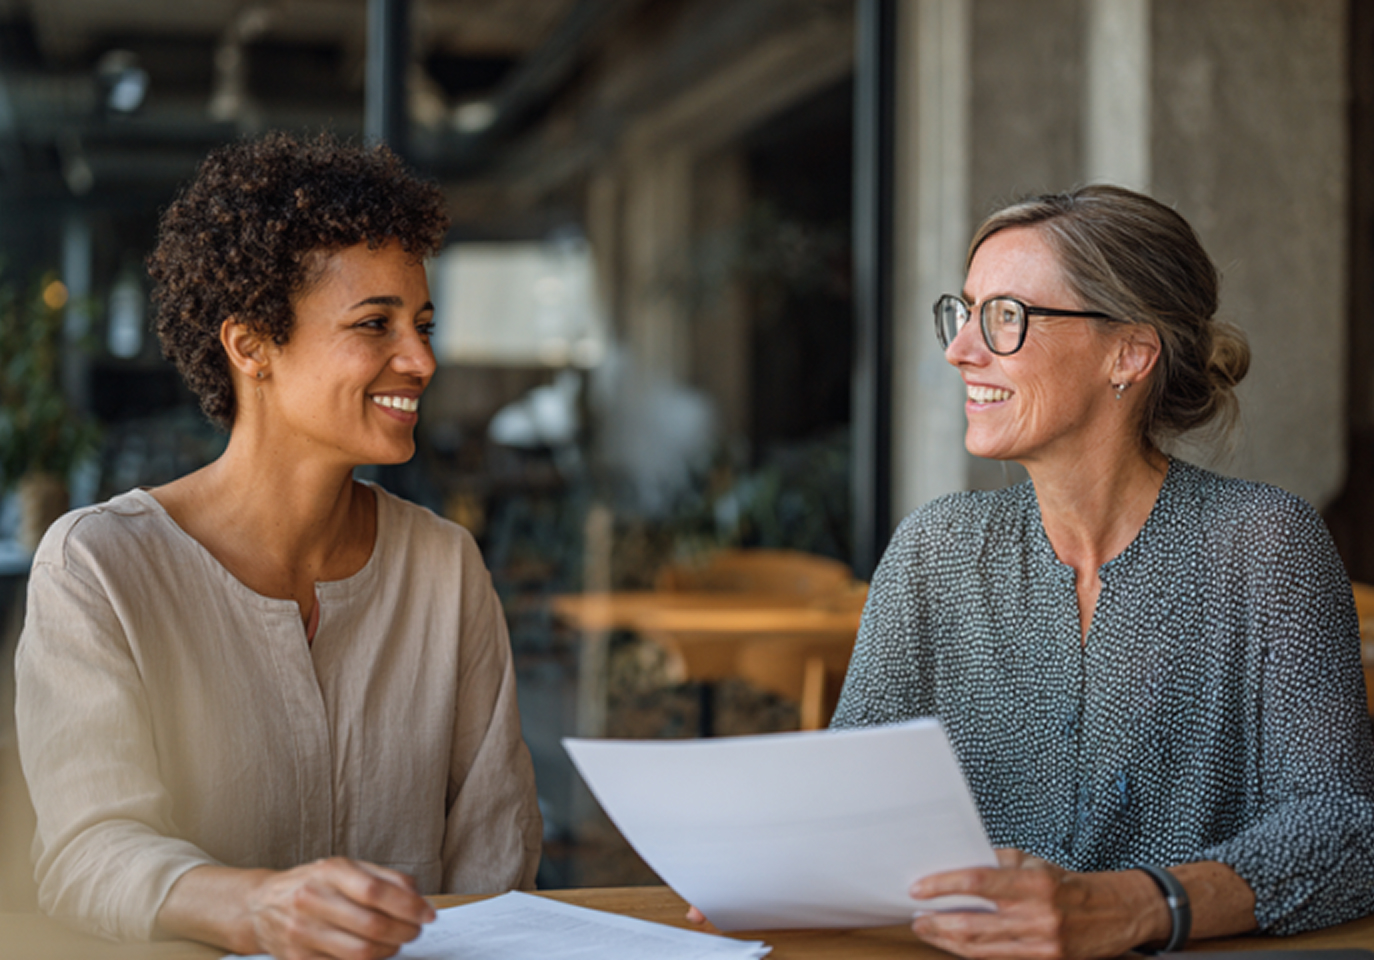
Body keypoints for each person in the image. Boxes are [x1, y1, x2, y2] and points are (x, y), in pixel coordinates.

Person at [14, 132, 543, 959]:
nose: (422, 359)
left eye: (423, 323)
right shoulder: (99, 568)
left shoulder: (445, 567)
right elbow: (87, 852)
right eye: (376, 324)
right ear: (251, 345)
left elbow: (496, 859)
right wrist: (259, 907)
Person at [829, 185, 1374, 957]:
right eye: (966, 311)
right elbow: (842, 808)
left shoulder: (1264, 544)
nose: (960, 350)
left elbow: (1344, 830)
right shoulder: (934, 550)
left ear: (1129, 354)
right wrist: (765, 877)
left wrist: (1136, 907)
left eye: (1006, 318)